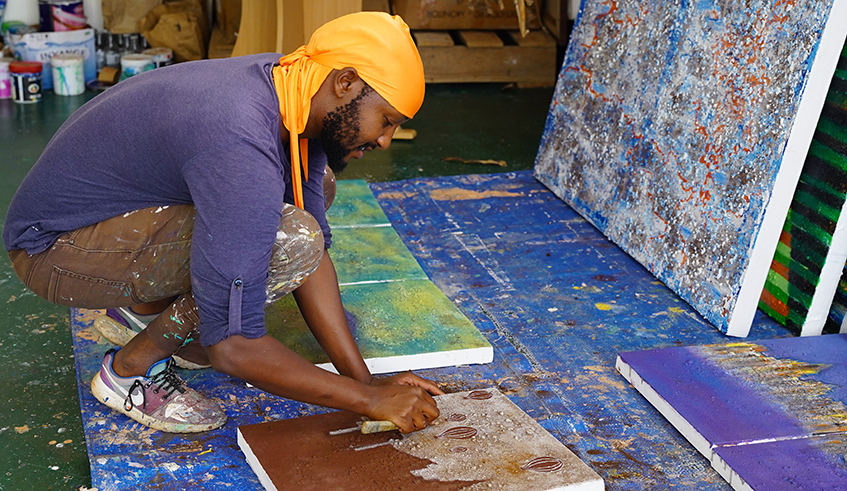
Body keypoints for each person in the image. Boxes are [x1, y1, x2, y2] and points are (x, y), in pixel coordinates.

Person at [3, 12, 443, 434]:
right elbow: (234, 348)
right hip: (53, 253)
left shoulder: (294, 90)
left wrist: (365, 379)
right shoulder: (239, 137)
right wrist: (365, 401)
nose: (386, 141)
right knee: (287, 237)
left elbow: (314, 259)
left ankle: (143, 310)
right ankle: (131, 370)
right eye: (386, 122)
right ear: (345, 82)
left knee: (309, 198)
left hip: (107, 221)